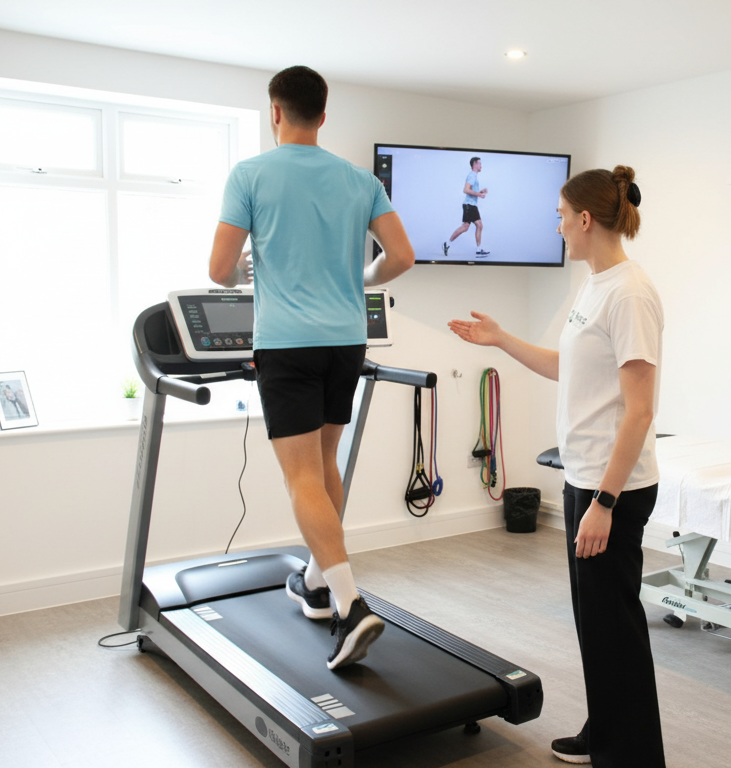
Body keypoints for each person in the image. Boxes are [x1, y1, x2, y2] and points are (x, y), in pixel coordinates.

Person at [448, 166, 665, 767]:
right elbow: (565, 368)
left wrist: (606, 502)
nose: (559, 227)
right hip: (582, 477)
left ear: (586, 220)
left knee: (614, 626)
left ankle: (632, 757)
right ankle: (606, 731)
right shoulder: (594, 285)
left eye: (562, 218)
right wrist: (500, 339)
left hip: (610, 488)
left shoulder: (630, 293)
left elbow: (640, 411)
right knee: (595, 623)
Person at [208, 65, 415, 670]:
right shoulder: (357, 180)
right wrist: (359, 277)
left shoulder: (250, 174)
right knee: (324, 465)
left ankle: (352, 605)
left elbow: (220, 271)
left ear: (276, 112)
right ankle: (319, 585)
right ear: (323, 115)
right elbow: (400, 255)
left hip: (288, 344)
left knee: (301, 477)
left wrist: (252, 265)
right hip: (347, 342)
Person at [444, 156, 488, 257]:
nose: (481, 166)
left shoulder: (474, 176)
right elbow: (466, 190)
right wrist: (479, 195)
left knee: (466, 227)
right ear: (475, 164)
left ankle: (447, 243)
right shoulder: (472, 175)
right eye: (480, 163)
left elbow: (470, 191)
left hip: (470, 205)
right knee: (478, 225)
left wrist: (480, 192)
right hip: (470, 205)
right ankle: (478, 250)